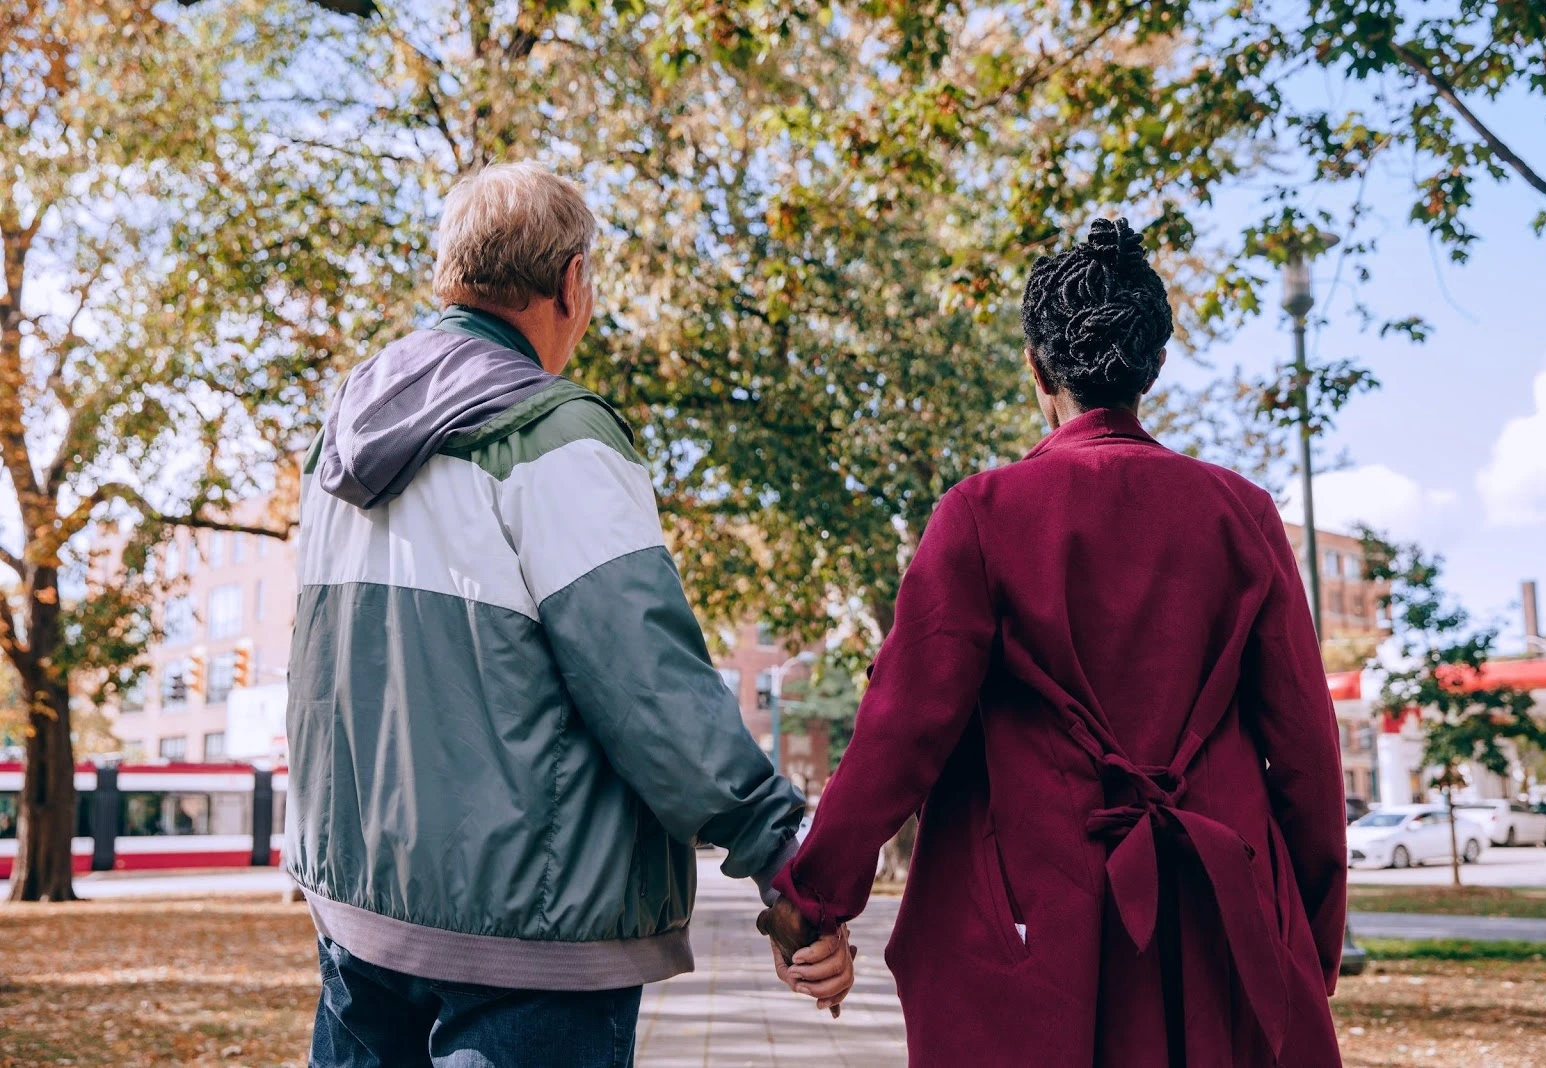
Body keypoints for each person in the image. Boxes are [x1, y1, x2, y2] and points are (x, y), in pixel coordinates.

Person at [286, 162, 852, 1068]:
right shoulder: (554, 435)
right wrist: (778, 854)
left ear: (450, 277)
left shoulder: (339, 449)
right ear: (572, 284)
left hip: (359, 920)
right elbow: (649, 684)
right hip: (531, 939)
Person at [766, 218, 1348, 1066]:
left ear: (1037, 370)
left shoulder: (982, 516)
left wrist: (813, 901)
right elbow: (1306, 750)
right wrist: (1306, 941)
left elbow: (902, 729)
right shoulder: (1242, 516)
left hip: (1036, 932)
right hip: (1216, 925)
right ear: (1151, 366)